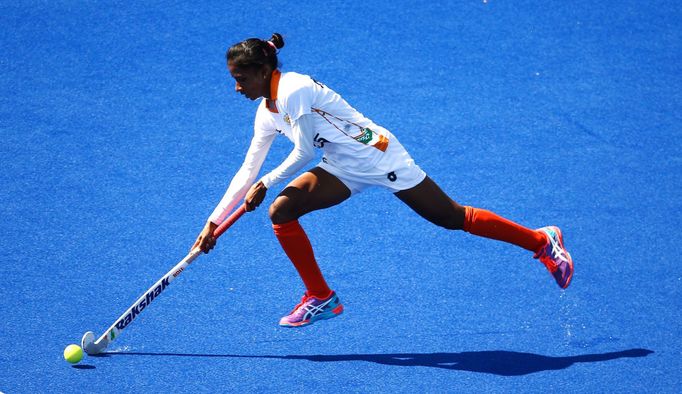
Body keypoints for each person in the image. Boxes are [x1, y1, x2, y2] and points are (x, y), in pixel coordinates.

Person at [192, 33, 574, 328]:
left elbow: (304, 151)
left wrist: (268, 180)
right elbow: (247, 170)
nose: (237, 88)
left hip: (379, 155)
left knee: (450, 217)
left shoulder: (293, 89)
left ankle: (541, 241)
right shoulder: (266, 112)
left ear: (263, 71)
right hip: (341, 164)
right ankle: (321, 296)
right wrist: (212, 222)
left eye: (241, 78)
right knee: (283, 209)